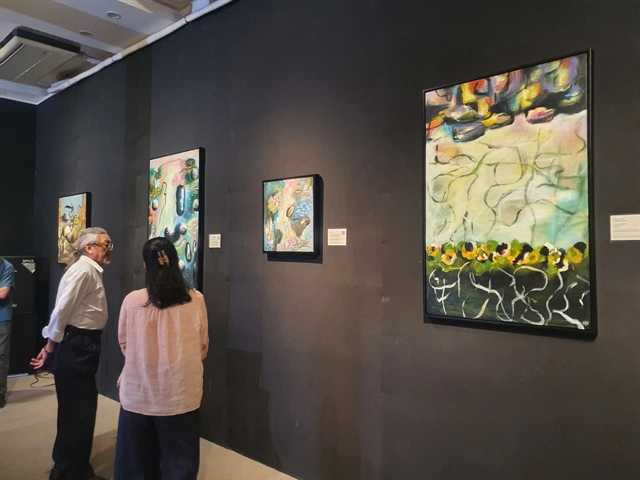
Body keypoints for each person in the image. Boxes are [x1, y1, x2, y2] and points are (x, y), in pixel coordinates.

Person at [114, 237, 209, 480]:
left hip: (138, 393)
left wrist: (141, 359)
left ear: (145, 266)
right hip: (180, 394)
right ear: (176, 263)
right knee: (179, 465)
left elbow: (124, 344)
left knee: (136, 465)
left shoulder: (132, 300)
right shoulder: (195, 299)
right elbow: (202, 346)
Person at [31, 227, 113, 480]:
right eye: (106, 244)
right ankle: (73, 471)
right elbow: (61, 312)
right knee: (80, 409)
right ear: (89, 247)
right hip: (78, 344)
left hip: (80, 344)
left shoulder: (87, 270)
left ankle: (65, 466)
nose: (109, 250)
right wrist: (49, 348)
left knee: (75, 407)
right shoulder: (84, 271)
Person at [0, 256, 16, 408]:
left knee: (1, 356)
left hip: (2, 318)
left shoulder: (6, 266)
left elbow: (3, 293)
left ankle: (0, 393)